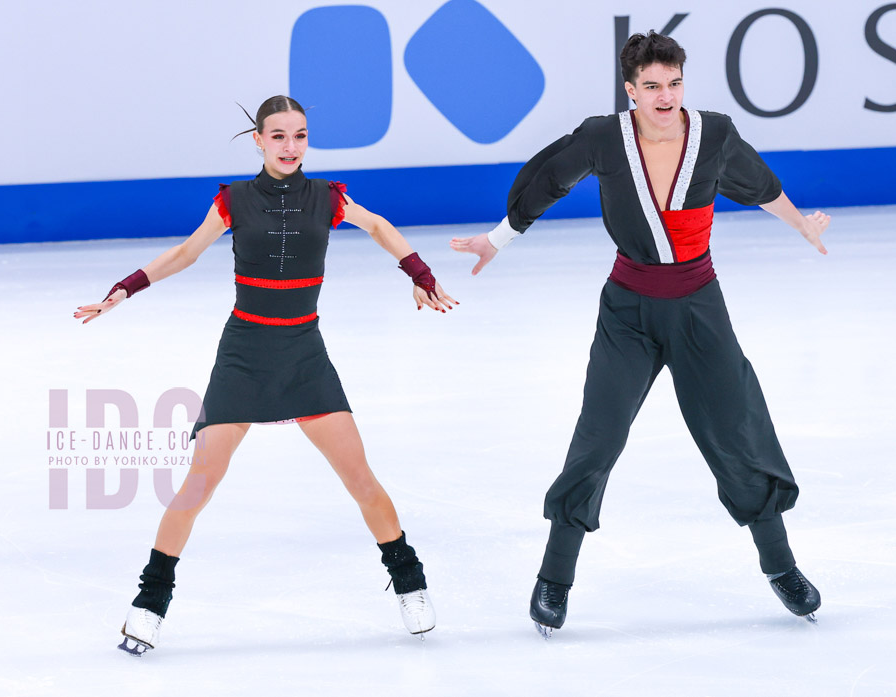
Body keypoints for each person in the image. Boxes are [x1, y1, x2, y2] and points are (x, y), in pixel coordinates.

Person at [451, 31, 828, 637]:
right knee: (598, 436)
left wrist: (801, 224)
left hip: (700, 308)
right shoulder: (605, 137)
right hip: (628, 312)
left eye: (674, 83)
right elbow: (548, 180)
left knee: (737, 430)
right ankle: (554, 577)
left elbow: (760, 183)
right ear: (630, 90)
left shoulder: (713, 134)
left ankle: (781, 566)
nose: (665, 96)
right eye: (651, 86)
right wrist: (497, 239)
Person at [75, 95, 456, 655]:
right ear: (258, 140)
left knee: (359, 478)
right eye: (278, 136)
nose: (290, 146)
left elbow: (377, 226)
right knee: (199, 482)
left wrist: (418, 274)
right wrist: (125, 289)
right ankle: (150, 601)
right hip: (244, 354)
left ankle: (410, 584)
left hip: (303, 352)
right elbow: (186, 253)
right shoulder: (233, 200)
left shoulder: (328, 197)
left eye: (299, 135)